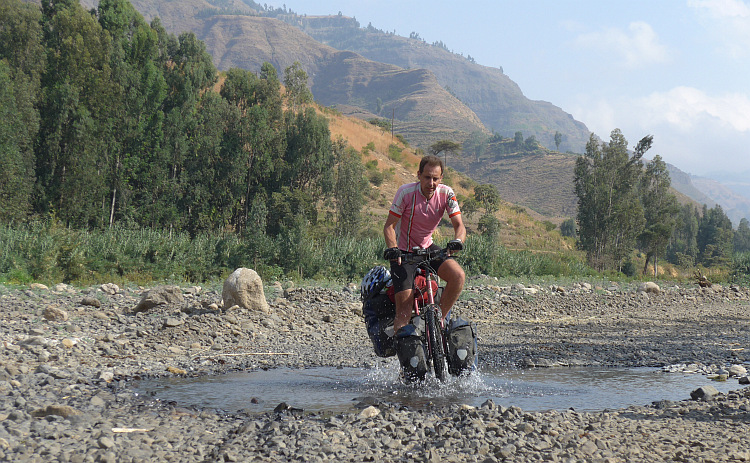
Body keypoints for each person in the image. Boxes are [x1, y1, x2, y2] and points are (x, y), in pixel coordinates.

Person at [383, 154, 466, 379]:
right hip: (404, 252)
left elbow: (460, 226)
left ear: (441, 178)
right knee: (404, 312)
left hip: (429, 249)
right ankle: (405, 368)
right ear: (418, 175)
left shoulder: (446, 193)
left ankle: (439, 320)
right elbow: (389, 227)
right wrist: (393, 249)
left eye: (436, 178)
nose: (431, 183)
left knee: (458, 276)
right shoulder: (406, 193)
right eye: (427, 177)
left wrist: (458, 241)